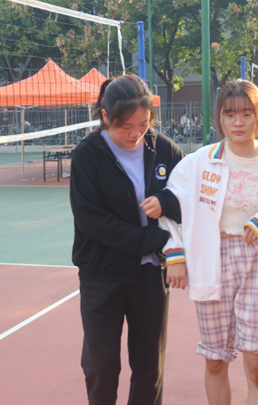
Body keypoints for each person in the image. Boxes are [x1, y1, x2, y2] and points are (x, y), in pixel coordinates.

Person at [143, 79, 258, 405]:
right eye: (229, 114)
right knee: (215, 360)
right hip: (211, 261)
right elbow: (165, 206)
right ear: (220, 119)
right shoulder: (200, 161)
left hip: (257, 263)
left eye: (246, 114)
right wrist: (175, 254)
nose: (238, 122)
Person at [69, 74, 184, 405]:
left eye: (143, 124)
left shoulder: (165, 149)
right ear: (106, 117)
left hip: (150, 275)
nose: (135, 133)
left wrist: (166, 203)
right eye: (125, 126)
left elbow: (188, 199)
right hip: (102, 273)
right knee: (102, 365)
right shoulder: (88, 154)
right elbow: (92, 221)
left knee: (149, 366)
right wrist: (154, 240)